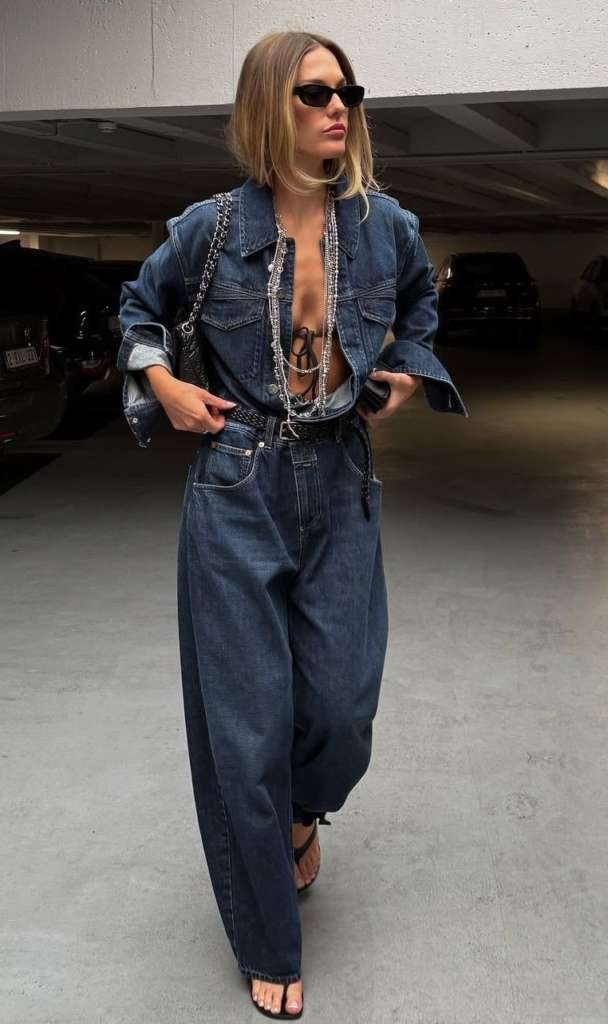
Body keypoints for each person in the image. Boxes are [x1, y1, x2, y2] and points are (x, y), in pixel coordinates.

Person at [117, 29, 468, 1020]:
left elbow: (418, 311)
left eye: (347, 90)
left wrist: (405, 375)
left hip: (341, 478)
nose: (338, 106)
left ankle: (307, 808)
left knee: (341, 711)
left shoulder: (385, 226)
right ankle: (268, 938)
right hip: (237, 483)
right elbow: (139, 311)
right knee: (246, 729)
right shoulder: (210, 228)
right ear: (269, 103)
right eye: (316, 91)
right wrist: (163, 384)